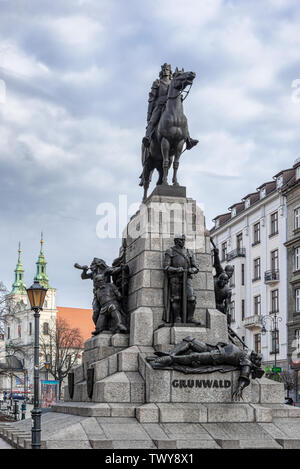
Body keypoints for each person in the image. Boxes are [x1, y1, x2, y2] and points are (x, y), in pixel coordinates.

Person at [147, 336, 264, 400]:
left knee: (194, 356)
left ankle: (170, 360)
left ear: (255, 361)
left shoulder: (246, 361)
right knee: (190, 340)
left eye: (257, 356)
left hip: (216, 356)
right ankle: (170, 355)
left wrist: (239, 388)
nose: (255, 353)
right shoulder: (244, 352)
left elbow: (244, 376)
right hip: (213, 349)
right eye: (257, 353)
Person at [142, 63, 198, 150]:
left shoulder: (173, 81)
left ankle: (188, 140)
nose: (165, 71)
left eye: (167, 70)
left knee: (183, 120)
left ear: (170, 72)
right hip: (160, 106)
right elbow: (151, 99)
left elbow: (179, 87)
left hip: (172, 107)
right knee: (153, 121)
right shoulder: (158, 83)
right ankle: (148, 138)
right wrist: (149, 114)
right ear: (161, 72)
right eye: (164, 70)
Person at [163, 234, 199, 324]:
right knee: (176, 298)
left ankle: (190, 318)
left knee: (191, 298)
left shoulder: (189, 252)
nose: (182, 242)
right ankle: (177, 318)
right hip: (175, 278)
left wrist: (192, 270)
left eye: (183, 240)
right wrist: (176, 269)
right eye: (180, 240)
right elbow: (166, 267)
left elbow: (196, 267)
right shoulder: (170, 251)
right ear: (176, 241)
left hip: (187, 277)